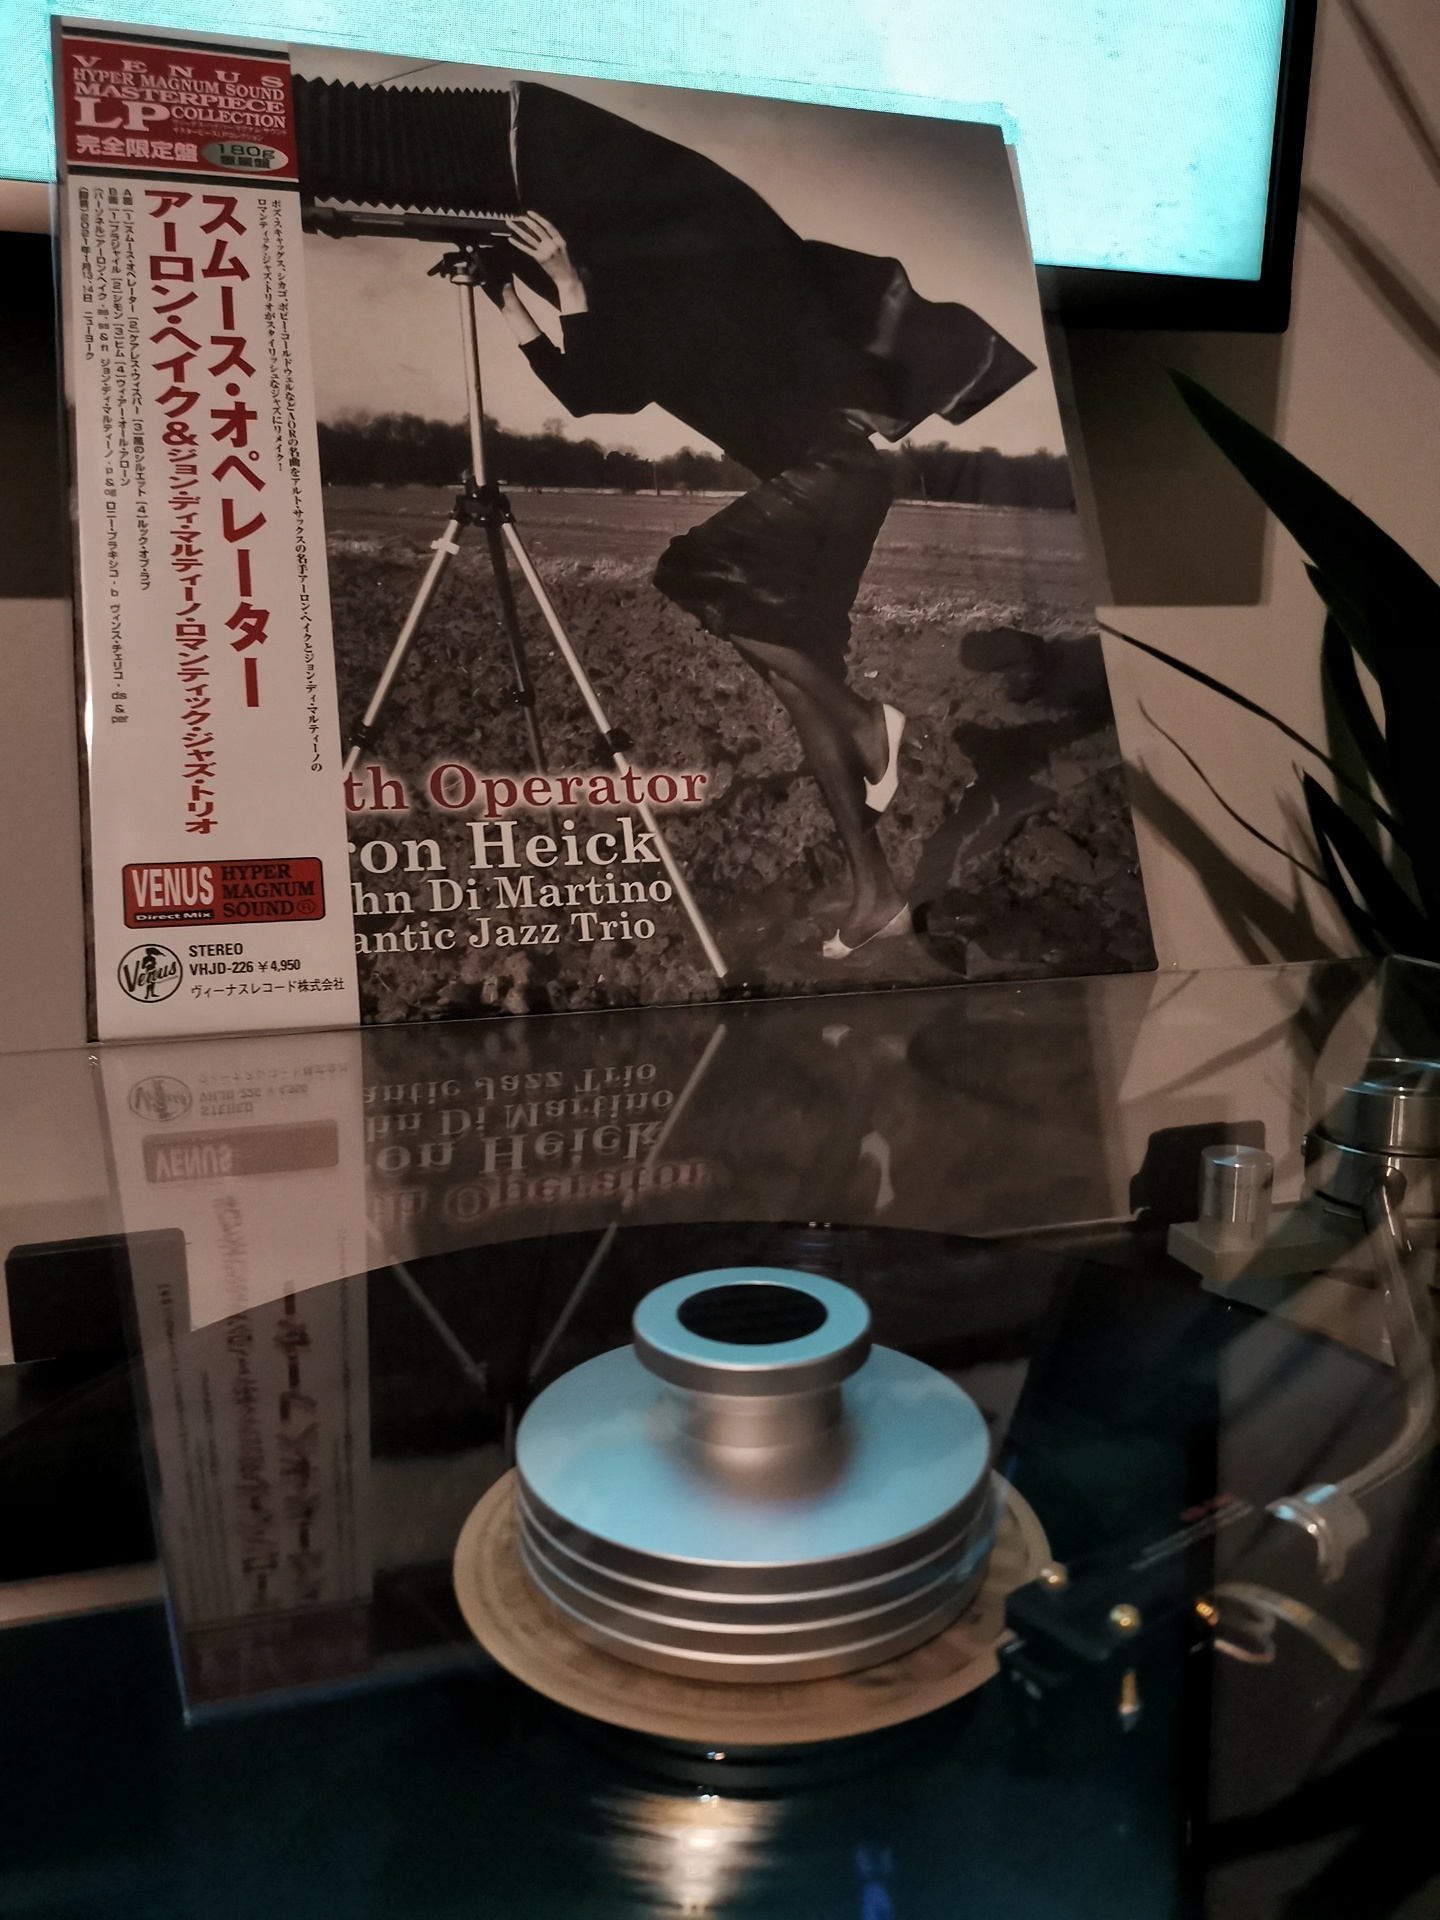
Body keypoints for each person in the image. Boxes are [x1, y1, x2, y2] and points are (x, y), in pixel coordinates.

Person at [482, 90, 1033, 955]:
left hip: (830, 471)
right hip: (835, 479)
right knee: (794, 682)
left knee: (692, 571)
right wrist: (505, 294)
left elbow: (596, 356)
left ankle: (864, 720)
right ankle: (877, 896)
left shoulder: (689, 285)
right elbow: (589, 390)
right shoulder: (632, 314)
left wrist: (563, 279)